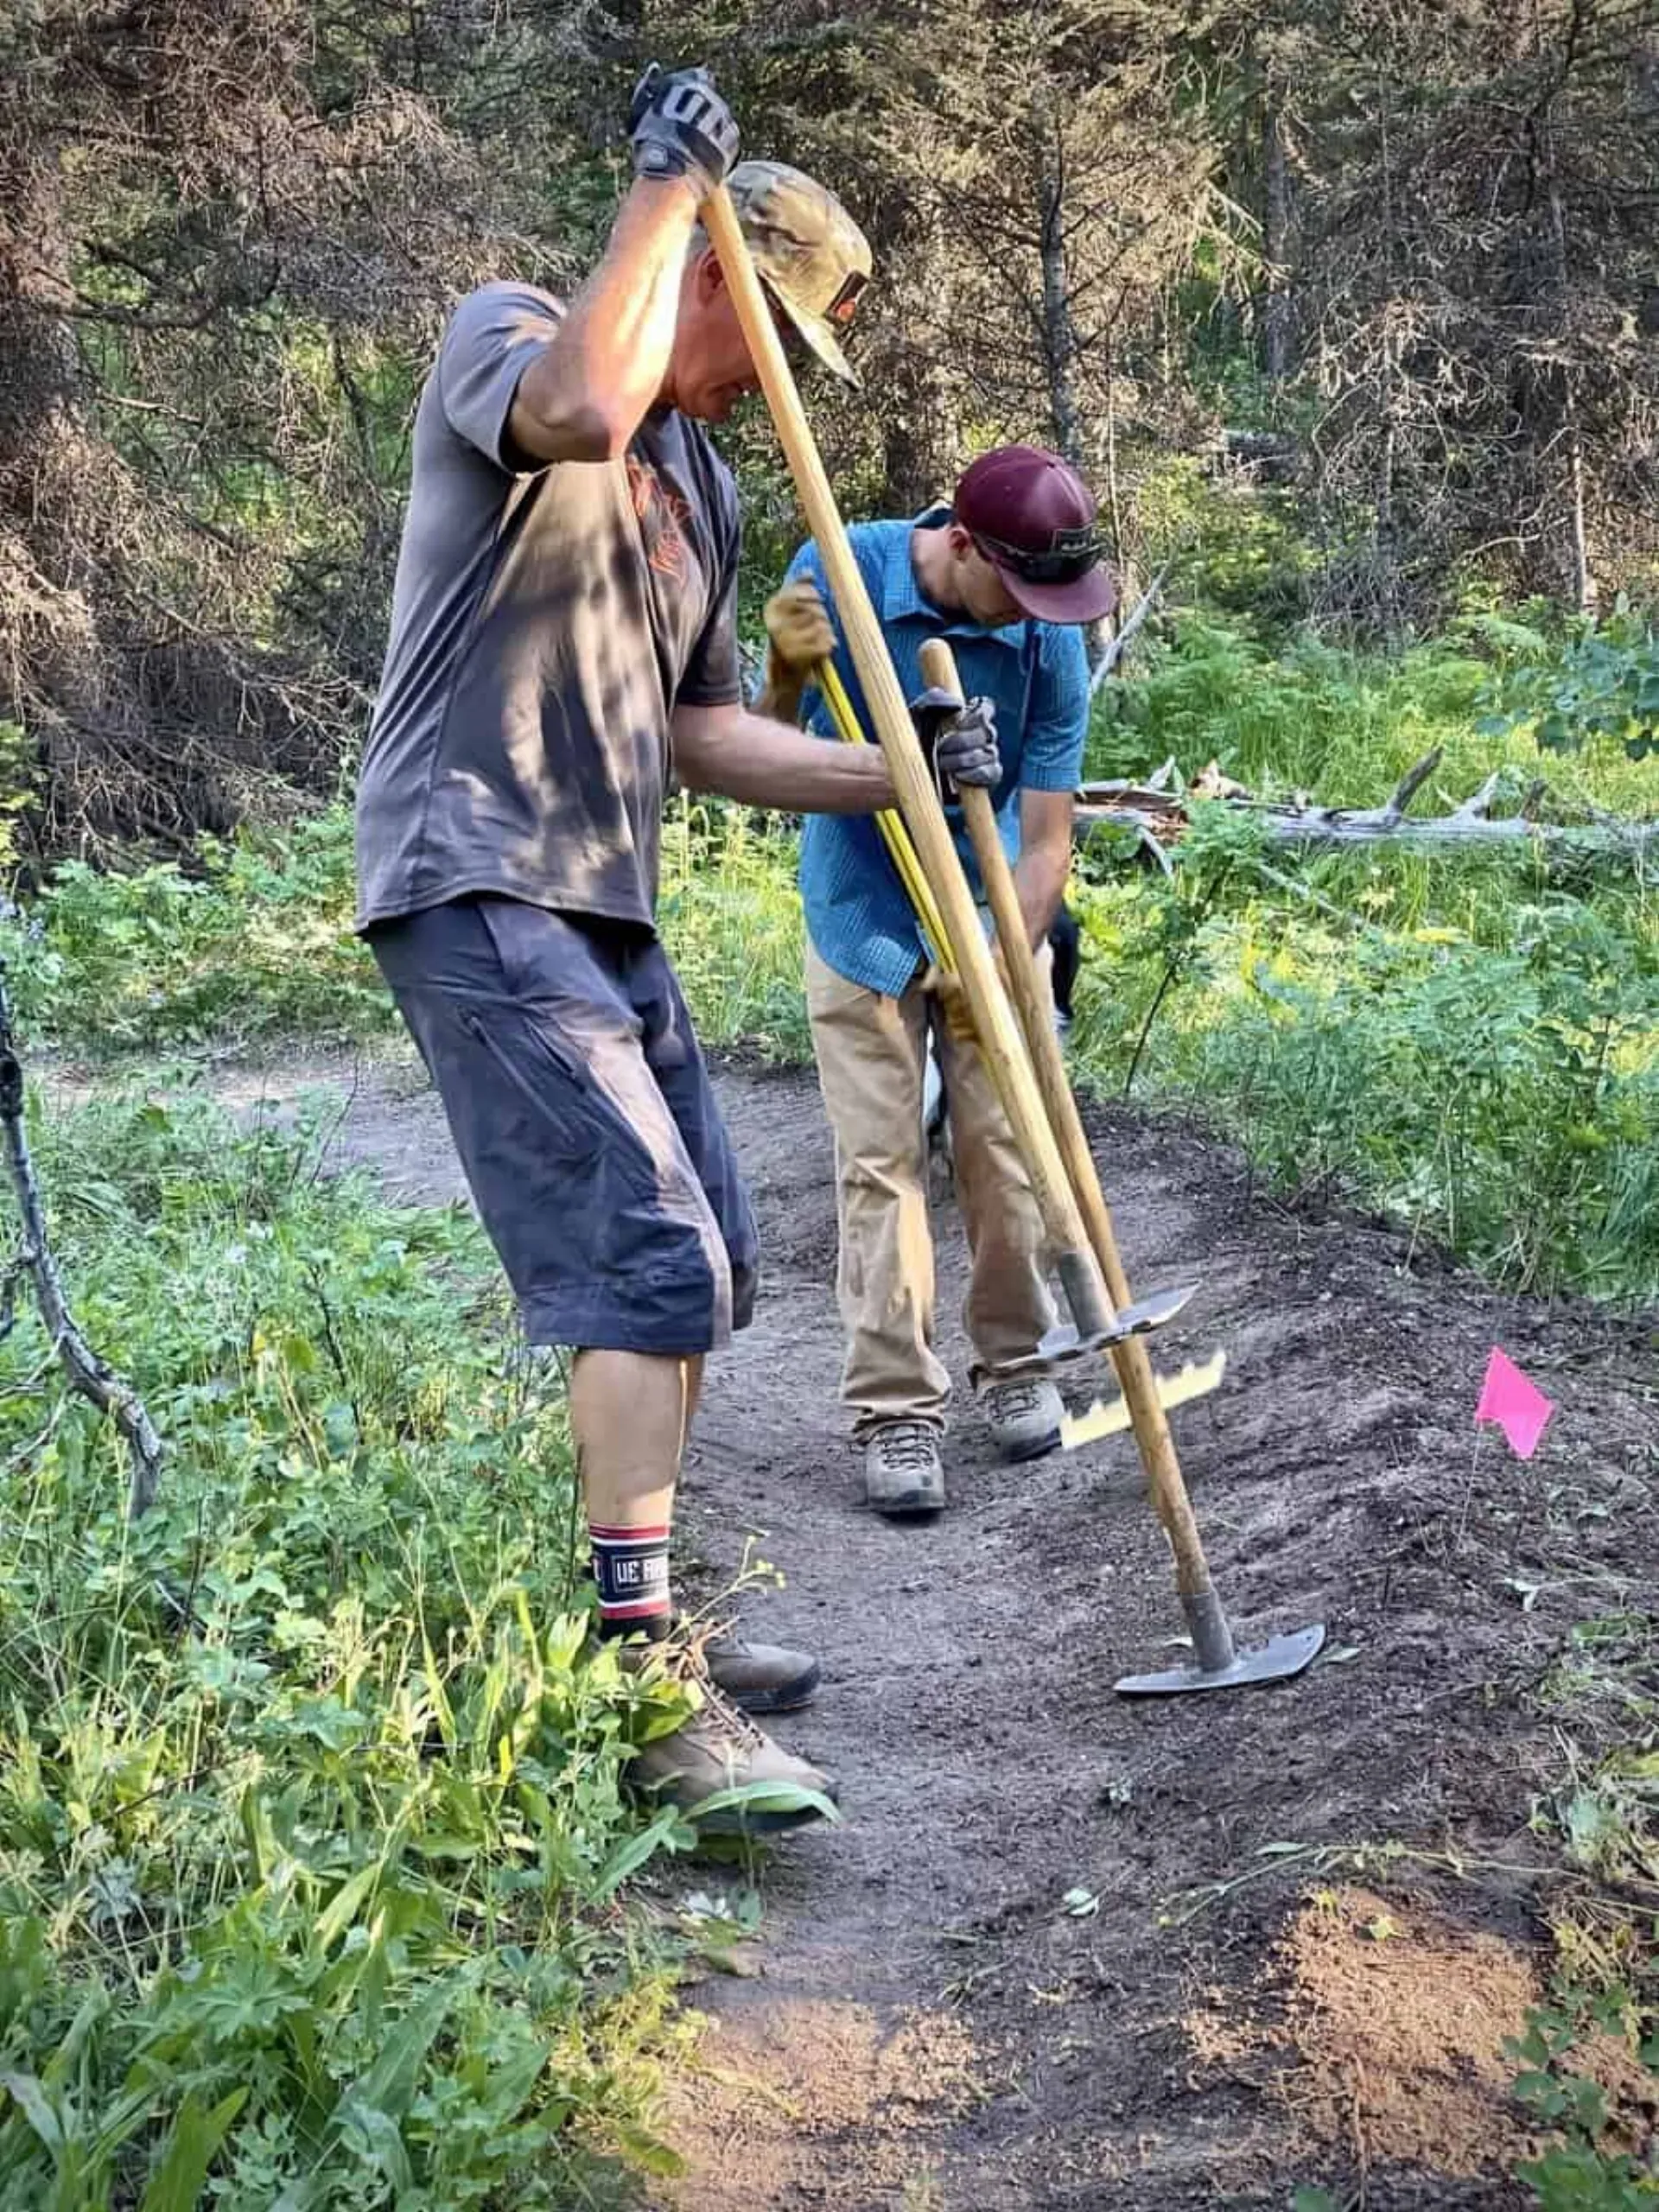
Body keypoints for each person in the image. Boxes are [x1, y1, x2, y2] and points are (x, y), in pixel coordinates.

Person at [353, 67, 1002, 1827]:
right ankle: (638, 1694)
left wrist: (900, 770)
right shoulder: (519, 335)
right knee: (641, 1252)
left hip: (603, 892)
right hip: (475, 868)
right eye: (768, 333)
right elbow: (582, 400)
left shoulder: (700, 478)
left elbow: (704, 731)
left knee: (707, 1253)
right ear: (706, 270)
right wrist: (661, 182)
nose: (766, 380)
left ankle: (640, 1617)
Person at [757, 447, 1116, 1516]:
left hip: (993, 916)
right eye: (1021, 589)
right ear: (962, 544)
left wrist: (1003, 958)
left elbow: (1046, 839)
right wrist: (795, 682)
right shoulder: (838, 573)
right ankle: (897, 1411)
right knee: (882, 1164)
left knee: (1004, 1153)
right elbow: (769, 747)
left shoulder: (1047, 633)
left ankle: (1017, 1363)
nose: (1038, 615)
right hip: (861, 915)